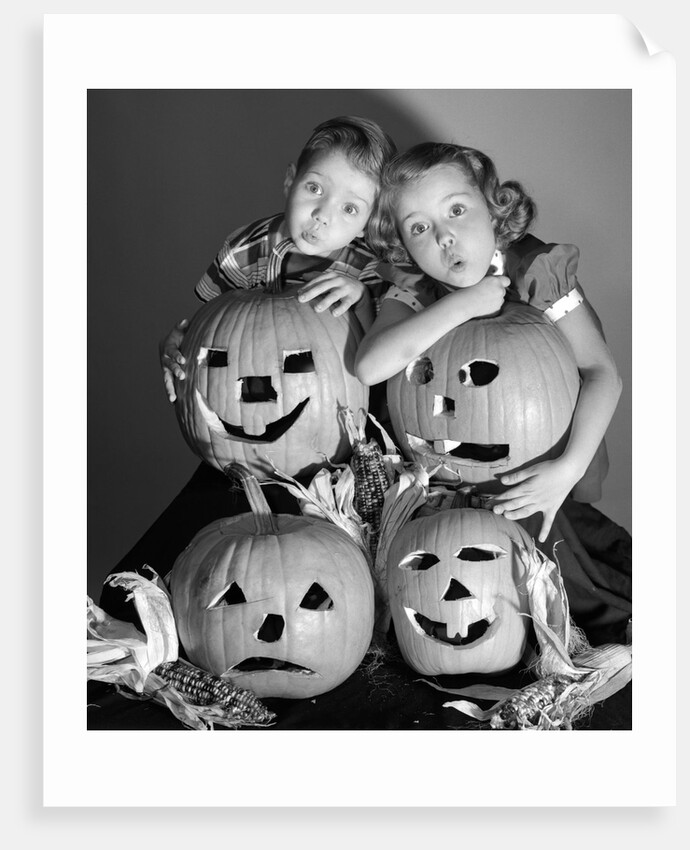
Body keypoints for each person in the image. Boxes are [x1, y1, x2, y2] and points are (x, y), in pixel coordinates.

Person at [355, 142, 623, 545]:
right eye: (419, 228)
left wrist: (567, 469)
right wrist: (462, 305)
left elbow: (603, 374)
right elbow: (369, 367)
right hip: (446, 489)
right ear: (403, 246)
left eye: (457, 210)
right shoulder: (416, 285)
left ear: (493, 210)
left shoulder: (534, 272)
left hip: (544, 469)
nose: (444, 235)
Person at [160, 115, 397, 403]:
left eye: (349, 208)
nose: (322, 215)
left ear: (367, 224)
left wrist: (361, 302)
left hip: (336, 405)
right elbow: (209, 328)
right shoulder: (246, 250)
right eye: (315, 189)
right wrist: (179, 345)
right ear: (289, 181)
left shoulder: (369, 269)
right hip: (246, 391)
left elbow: (380, 356)